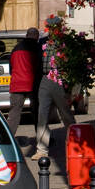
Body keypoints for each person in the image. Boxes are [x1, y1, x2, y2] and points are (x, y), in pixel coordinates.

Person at [35, 26, 76, 157]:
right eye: (50, 27)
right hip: (45, 77)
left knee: (65, 113)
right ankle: (41, 150)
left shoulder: (65, 42)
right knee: (42, 114)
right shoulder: (42, 42)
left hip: (59, 76)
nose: (52, 31)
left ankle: (75, 143)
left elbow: (70, 60)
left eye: (54, 28)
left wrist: (69, 84)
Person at [7, 28, 42, 139]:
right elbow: (39, 66)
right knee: (37, 112)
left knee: (14, 114)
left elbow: (11, 68)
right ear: (36, 37)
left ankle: (8, 139)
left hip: (17, 84)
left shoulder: (16, 48)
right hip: (33, 83)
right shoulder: (37, 48)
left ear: (27, 35)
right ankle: (42, 139)